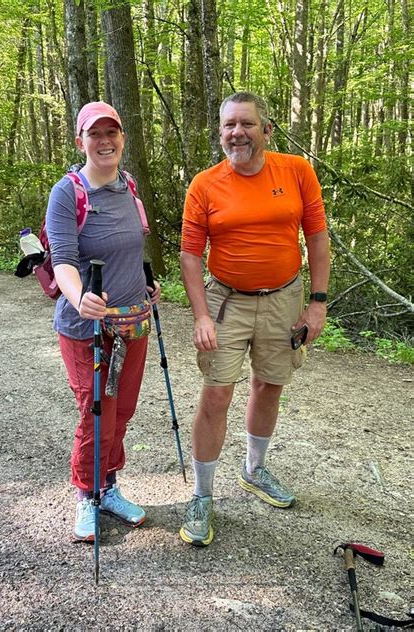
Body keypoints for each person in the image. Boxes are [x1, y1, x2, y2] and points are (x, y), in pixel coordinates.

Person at [179, 92, 330, 546]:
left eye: (246, 124)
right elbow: (189, 256)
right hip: (227, 301)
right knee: (217, 393)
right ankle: (202, 494)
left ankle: (254, 469)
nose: (236, 133)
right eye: (228, 125)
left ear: (266, 130)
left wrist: (317, 303)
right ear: (220, 131)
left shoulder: (297, 171)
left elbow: (318, 239)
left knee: (269, 384)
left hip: (285, 298)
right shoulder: (205, 185)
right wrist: (201, 315)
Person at [45, 101, 160, 541]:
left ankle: (108, 486)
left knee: (122, 411)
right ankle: (85, 496)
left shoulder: (129, 188)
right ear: (81, 142)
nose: (105, 140)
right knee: (97, 413)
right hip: (87, 329)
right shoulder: (68, 193)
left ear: (123, 139)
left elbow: (131, 251)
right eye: (95, 134)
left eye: (112, 132)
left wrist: (146, 287)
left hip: (134, 324)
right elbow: (64, 263)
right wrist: (80, 299)